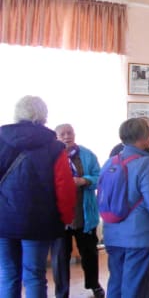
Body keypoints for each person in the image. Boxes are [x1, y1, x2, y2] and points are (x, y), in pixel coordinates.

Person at [0, 95, 76, 298]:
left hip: (3, 219)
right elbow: (64, 188)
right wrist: (66, 218)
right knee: (34, 276)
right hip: (39, 221)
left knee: (7, 274)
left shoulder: (1, 139)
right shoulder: (54, 146)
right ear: (43, 116)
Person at [103, 118, 149, 297]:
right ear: (144, 136)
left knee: (116, 285)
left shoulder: (110, 162)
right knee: (136, 288)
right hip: (140, 236)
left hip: (112, 234)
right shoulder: (145, 163)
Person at [51, 124, 105, 298]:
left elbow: (100, 178)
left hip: (84, 215)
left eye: (70, 133)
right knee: (60, 258)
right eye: (63, 134)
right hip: (59, 217)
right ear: (56, 137)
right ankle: (62, 292)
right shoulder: (50, 156)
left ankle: (94, 284)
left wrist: (84, 180)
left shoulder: (87, 155)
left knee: (89, 254)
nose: (67, 136)